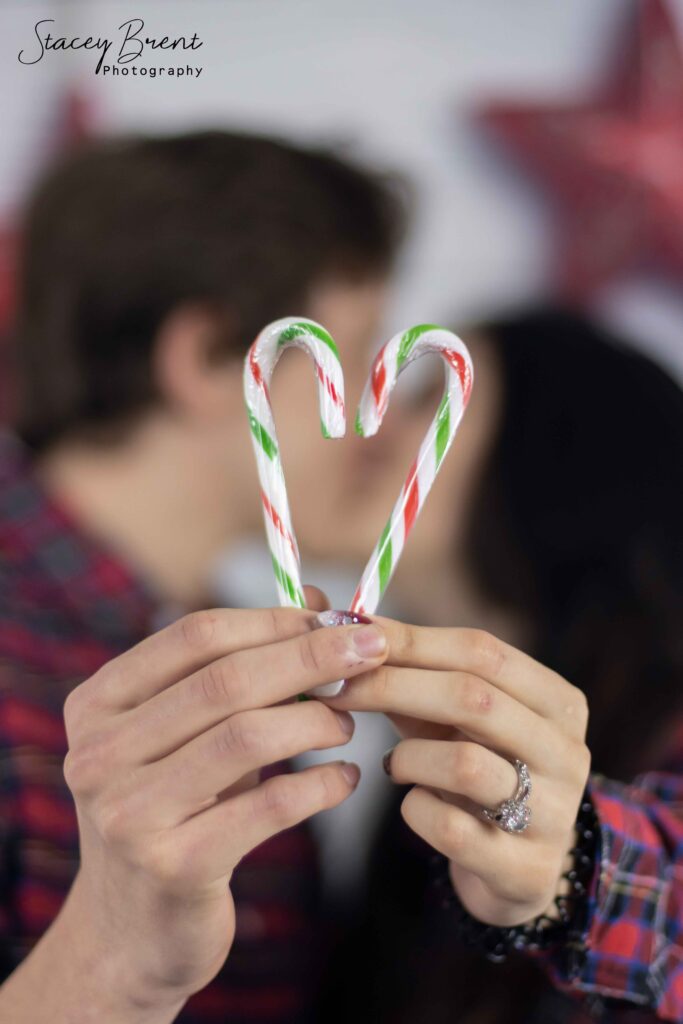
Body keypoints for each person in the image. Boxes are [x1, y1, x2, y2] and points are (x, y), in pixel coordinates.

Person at [302, 306, 683, 1023]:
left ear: (550, 451)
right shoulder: (419, 789)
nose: (372, 428)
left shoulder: (662, 728)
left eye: (429, 396)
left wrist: (574, 871)